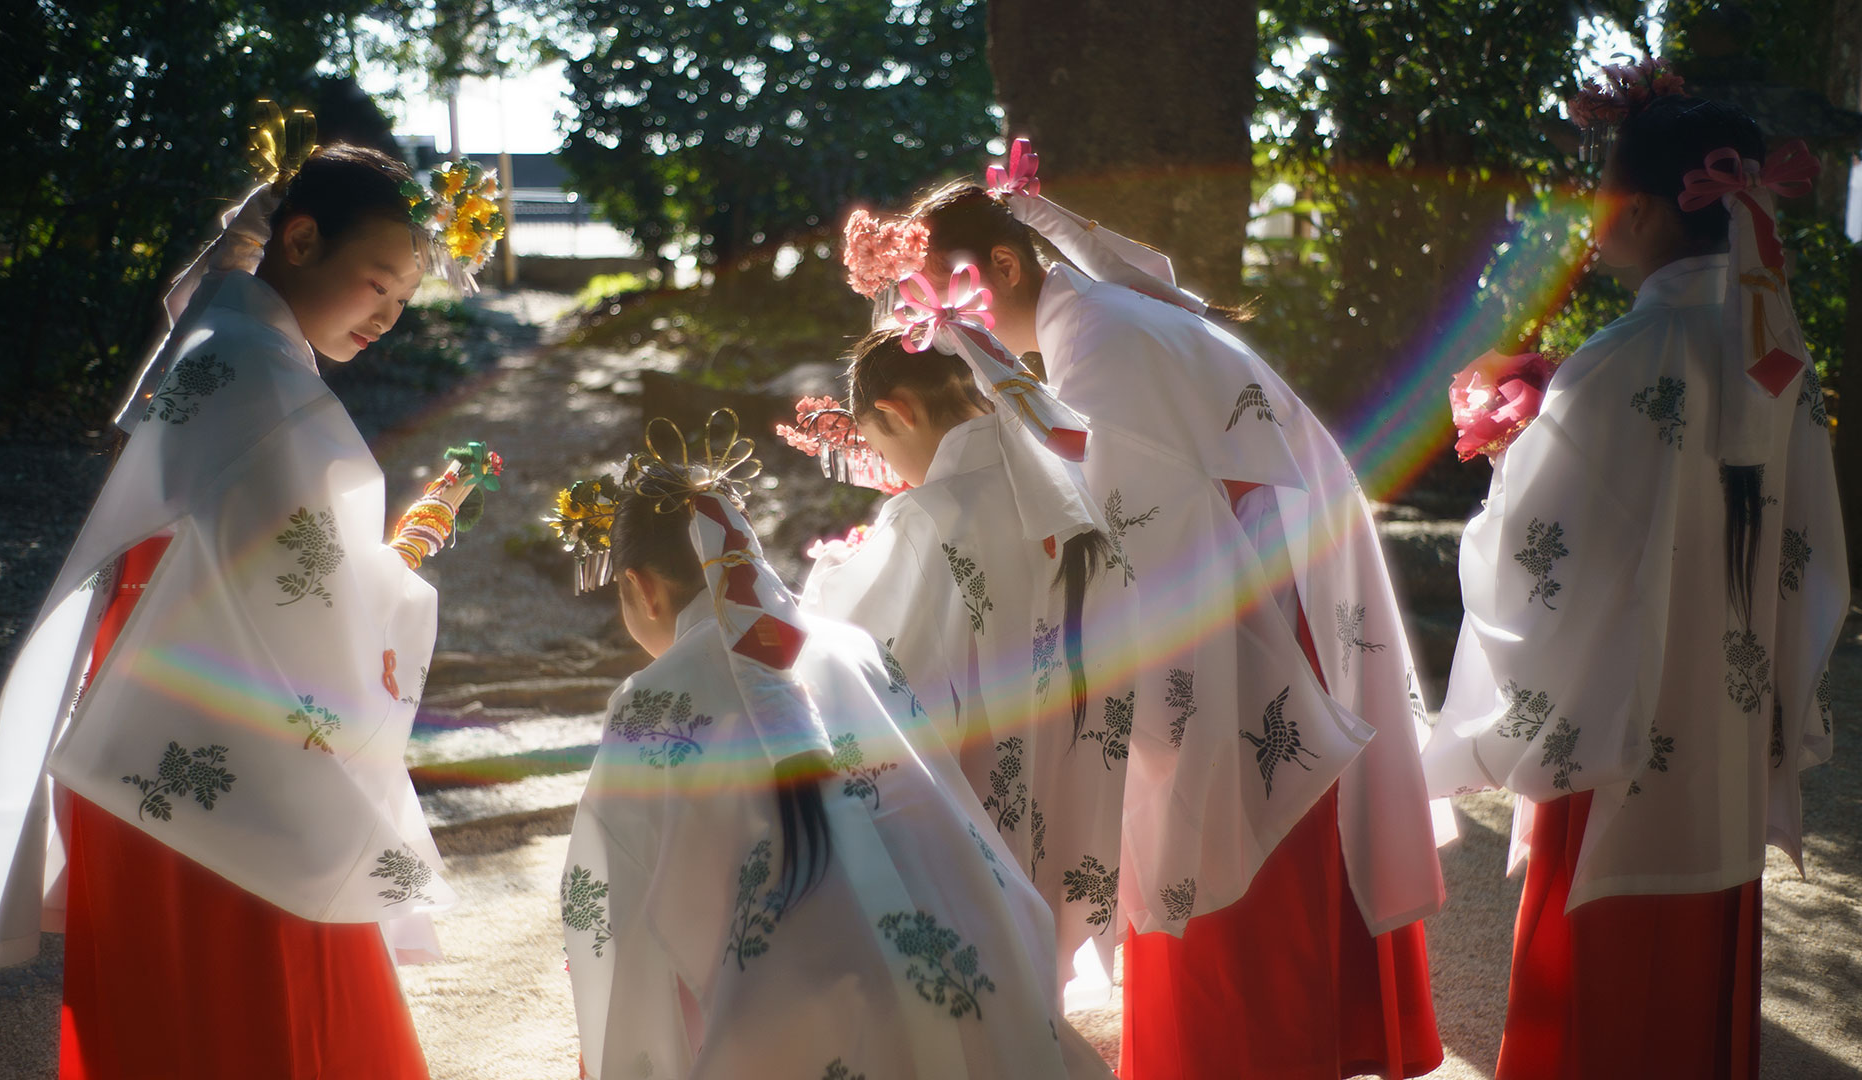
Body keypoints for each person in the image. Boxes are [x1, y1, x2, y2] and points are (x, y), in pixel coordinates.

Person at [0, 116, 504, 1078]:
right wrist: (401, 569)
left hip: (151, 740)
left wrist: (391, 550)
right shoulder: (270, 386)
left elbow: (270, 567)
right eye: (377, 284)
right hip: (241, 763)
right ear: (299, 241)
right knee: (274, 1020)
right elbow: (307, 599)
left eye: (402, 299)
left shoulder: (225, 347)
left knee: (176, 1024)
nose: (385, 317)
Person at [900, 141, 1447, 1078]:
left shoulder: (1104, 338)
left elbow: (1124, 524)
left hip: (1236, 625)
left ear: (1003, 265)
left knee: (1220, 857)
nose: (946, 327)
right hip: (1250, 596)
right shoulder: (1100, 322)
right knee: (1232, 861)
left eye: (948, 301)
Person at [1425, 65, 1845, 1080]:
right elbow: (1809, 553)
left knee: (1607, 988)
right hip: (1727, 728)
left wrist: (1513, 451)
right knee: (1693, 979)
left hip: (1620, 723)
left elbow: (1543, 550)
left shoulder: (1625, 356)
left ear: (1650, 210)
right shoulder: (1776, 358)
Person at [548, 413, 1112, 1080]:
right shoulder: (853, 647)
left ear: (637, 587)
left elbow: (615, 916)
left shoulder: (653, 702)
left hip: (805, 1020)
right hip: (972, 975)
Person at [797, 267, 1136, 1003]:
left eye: (878, 446)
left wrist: (827, 581)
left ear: (894, 412)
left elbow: (879, 662)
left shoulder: (929, 516)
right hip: (1072, 770)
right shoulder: (1067, 483)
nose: (890, 471)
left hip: (981, 782)